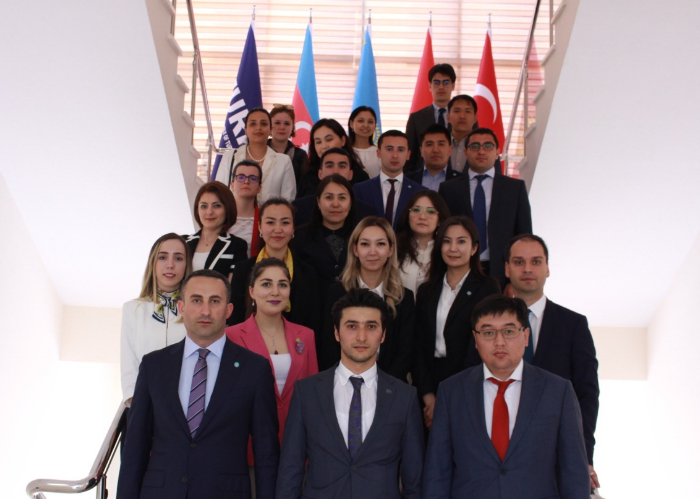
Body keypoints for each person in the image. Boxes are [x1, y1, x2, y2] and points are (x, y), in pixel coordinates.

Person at [117, 270, 279, 499]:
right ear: (182, 308)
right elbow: (135, 449)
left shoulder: (254, 369)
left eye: (215, 301)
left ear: (228, 310)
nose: (205, 311)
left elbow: (266, 454)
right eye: (196, 300)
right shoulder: (153, 366)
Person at [422, 295, 590, 498]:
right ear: (476, 339)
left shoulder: (558, 391)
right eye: (488, 332)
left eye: (509, 331)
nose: (499, 342)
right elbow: (437, 471)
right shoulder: (451, 392)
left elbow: (573, 472)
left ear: (526, 336)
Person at [276, 289, 424, 499]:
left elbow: (414, 481)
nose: (361, 336)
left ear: (383, 335)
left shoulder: (404, 397)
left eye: (371, 327)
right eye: (352, 326)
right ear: (336, 332)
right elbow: (290, 472)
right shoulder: (307, 392)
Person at [504, 234, 600, 488]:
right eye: (518, 261)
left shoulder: (574, 325)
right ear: (507, 268)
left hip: (555, 450)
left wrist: (584, 457)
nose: (527, 269)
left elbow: (587, 396)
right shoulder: (486, 325)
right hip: (498, 451)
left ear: (547, 268)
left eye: (536, 262)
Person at [226, 259, 318, 464]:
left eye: (282, 284)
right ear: (251, 291)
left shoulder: (306, 335)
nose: (275, 292)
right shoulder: (230, 336)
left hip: (295, 445)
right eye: (266, 284)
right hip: (247, 445)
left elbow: (313, 397)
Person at [413, 216, 501, 429]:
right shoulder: (426, 290)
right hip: (427, 385)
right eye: (447, 241)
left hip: (468, 384)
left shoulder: (488, 288)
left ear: (474, 248)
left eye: (461, 241)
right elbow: (418, 345)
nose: (453, 248)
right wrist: (429, 397)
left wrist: (447, 398)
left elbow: (482, 345)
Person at [320, 217, 415, 382]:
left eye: (380, 244)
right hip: (344, 383)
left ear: (391, 249)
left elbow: (406, 353)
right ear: (355, 249)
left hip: (390, 387)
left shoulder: (404, 297)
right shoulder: (336, 292)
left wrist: (382, 387)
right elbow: (329, 346)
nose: (373, 252)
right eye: (365, 244)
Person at [439, 127, 532, 286]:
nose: (481, 151)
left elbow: (524, 237)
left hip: (501, 273)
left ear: (497, 152)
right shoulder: (449, 189)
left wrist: (514, 281)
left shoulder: (514, 188)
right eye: (475, 146)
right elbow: (442, 234)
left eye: (488, 146)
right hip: (459, 270)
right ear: (465, 152)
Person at [228, 198, 321, 336]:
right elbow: (236, 321)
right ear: (259, 227)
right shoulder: (243, 270)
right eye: (270, 222)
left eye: (285, 223)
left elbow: (314, 323)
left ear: (293, 227)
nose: (278, 229)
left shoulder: (308, 272)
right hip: (250, 349)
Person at [120, 233, 192, 401]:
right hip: (145, 401)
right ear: (153, 263)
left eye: (179, 259)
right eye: (162, 257)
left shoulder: (195, 310)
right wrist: (135, 402)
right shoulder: (133, 309)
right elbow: (129, 364)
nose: (170, 265)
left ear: (187, 265)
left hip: (187, 403)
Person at [292, 175, 356, 301]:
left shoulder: (360, 237)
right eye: (329, 197)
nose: (335, 204)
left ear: (350, 203)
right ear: (318, 202)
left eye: (342, 198)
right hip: (311, 309)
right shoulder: (299, 236)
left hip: (351, 311)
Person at [213, 107, 296, 202]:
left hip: (270, 216)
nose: (258, 128)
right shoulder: (230, 157)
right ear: (245, 130)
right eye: (253, 124)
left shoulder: (283, 161)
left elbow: (288, 200)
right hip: (234, 215)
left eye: (263, 124)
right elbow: (219, 193)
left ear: (270, 130)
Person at [352, 129, 427, 230]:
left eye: (400, 150)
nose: (395, 155)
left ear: (408, 155)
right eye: (389, 149)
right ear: (378, 152)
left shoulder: (421, 192)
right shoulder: (361, 190)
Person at [292, 147, 377, 227]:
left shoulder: (367, 212)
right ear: (320, 174)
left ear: (351, 174)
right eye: (329, 166)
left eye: (342, 166)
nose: (335, 171)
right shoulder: (299, 209)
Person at [185, 181, 248, 281]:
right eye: (204, 206)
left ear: (227, 209)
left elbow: (235, 290)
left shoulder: (237, 246)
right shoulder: (183, 242)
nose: (209, 212)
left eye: (216, 206)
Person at [296, 119, 369, 198]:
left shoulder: (361, 177)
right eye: (318, 142)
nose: (324, 146)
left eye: (329, 140)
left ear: (343, 140)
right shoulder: (307, 177)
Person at [395, 190, 451, 295]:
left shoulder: (447, 250)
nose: (422, 217)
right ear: (408, 216)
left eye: (430, 212)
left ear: (439, 220)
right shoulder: (393, 247)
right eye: (416, 210)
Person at [405, 63, 456, 171]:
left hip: (457, 178)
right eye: (436, 82)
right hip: (423, 179)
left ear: (453, 86)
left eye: (446, 82)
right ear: (429, 86)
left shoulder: (464, 117)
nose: (441, 87)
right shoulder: (416, 118)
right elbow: (409, 156)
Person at [405, 124, 461, 191]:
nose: (435, 150)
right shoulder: (407, 180)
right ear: (421, 151)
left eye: (441, 144)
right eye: (429, 144)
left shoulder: (462, 180)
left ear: (450, 150)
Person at [228, 160, 263, 258]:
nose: (246, 181)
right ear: (232, 185)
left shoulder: (265, 219)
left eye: (252, 178)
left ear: (259, 188)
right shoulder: (220, 216)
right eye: (241, 177)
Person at [267, 104, 308, 184]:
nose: (282, 127)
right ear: (269, 126)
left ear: (292, 127)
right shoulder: (260, 151)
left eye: (287, 123)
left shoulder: (300, 155)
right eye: (277, 123)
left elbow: (304, 185)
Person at [348, 105, 382, 177]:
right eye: (361, 121)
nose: (366, 125)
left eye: (370, 122)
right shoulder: (345, 151)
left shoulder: (380, 153)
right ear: (351, 124)